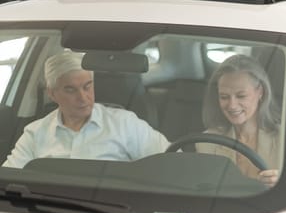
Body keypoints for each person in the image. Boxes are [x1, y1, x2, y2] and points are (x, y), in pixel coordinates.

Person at [2, 50, 170, 168]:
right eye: (70, 90)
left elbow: (170, 161)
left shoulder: (125, 124)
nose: (83, 98)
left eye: (87, 86)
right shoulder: (35, 133)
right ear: (52, 94)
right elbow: (8, 179)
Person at [197, 54, 282, 186]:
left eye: (241, 96)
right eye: (224, 97)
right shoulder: (206, 142)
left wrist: (284, 184)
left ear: (260, 92)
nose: (232, 105)